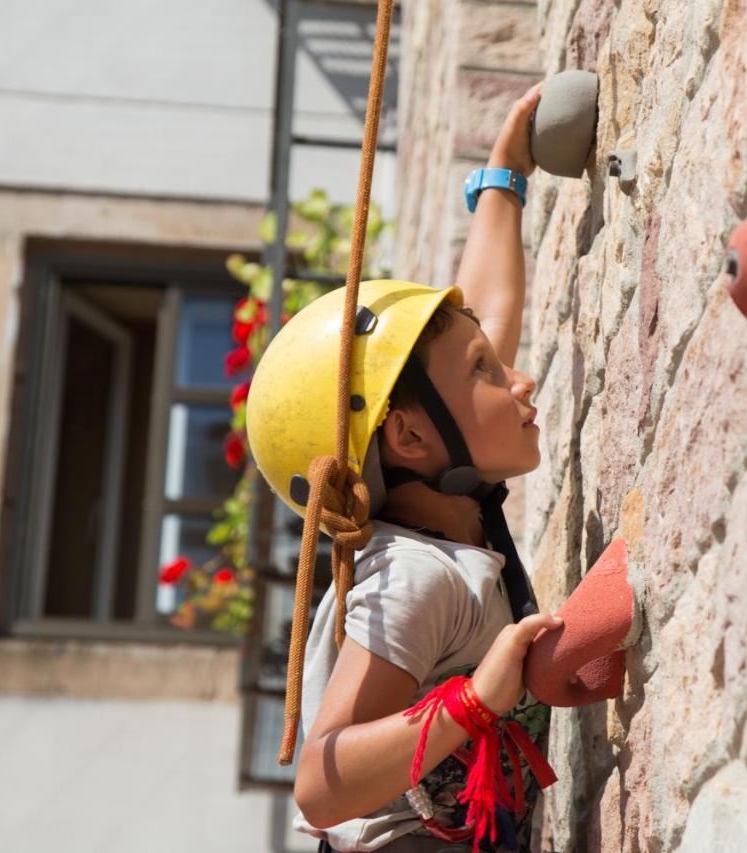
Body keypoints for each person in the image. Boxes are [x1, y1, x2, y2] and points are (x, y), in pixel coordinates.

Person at [246, 85, 559, 853]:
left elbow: (481, 317)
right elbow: (321, 786)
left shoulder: (454, 512)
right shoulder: (416, 575)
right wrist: (475, 702)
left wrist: (504, 173)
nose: (521, 381)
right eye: (491, 371)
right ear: (411, 439)